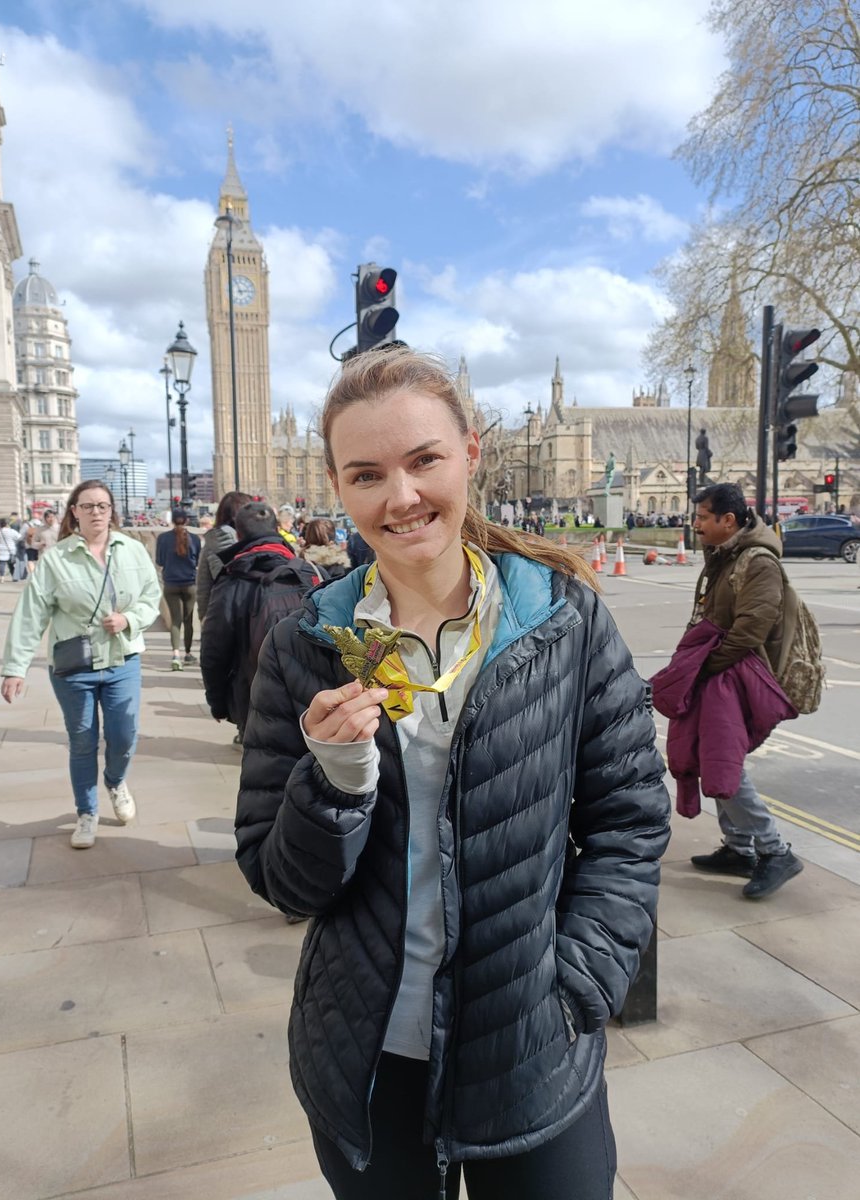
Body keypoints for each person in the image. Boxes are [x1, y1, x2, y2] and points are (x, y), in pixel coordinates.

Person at [234, 349, 670, 1199]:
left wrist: (579, 984)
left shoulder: (563, 618)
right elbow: (282, 881)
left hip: (531, 1041)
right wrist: (334, 783)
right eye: (366, 474)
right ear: (335, 486)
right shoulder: (304, 645)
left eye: (423, 460)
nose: (399, 497)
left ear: (471, 454)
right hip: (368, 1053)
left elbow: (630, 818)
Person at [0, 480, 161, 850]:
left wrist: (130, 619)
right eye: (87, 506)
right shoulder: (57, 559)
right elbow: (31, 614)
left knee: (123, 736)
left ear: (112, 511)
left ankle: (116, 781)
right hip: (75, 668)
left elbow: (152, 596)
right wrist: (15, 667)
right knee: (83, 741)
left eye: (102, 506)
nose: (96, 513)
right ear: (74, 511)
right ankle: (86, 813)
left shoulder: (133, 551)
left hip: (122, 659)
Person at [682, 483, 803, 898]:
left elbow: (751, 629)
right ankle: (739, 848)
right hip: (720, 673)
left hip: (738, 675)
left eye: (702, 517)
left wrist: (702, 667)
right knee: (712, 756)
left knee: (723, 763)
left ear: (727, 521)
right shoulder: (723, 555)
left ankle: (775, 851)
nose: (695, 524)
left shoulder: (758, 563)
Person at [200, 502, 322, 740]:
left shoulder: (231, 581)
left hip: (254, 699)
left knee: (264, 771)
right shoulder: (310, 573)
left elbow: (214, 648)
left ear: (238, 534)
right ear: (277, 529)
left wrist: (218, 702)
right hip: (312, 698)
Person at [155, 509, 201, 670]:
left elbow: (159, 561)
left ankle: (176, 655)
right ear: (187, 520)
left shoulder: (162, 538)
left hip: (170, 584)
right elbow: (198, 562)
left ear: (172, 521)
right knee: (188, 620)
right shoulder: (194, 539)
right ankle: (188, 654)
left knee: (176, 620)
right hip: (189, 584)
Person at [195, 490, 252, 621]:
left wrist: (204, 618)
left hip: (220, 615)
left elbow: (203, 584)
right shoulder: (251, 543)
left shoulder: (211, 542)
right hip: (251, 614)